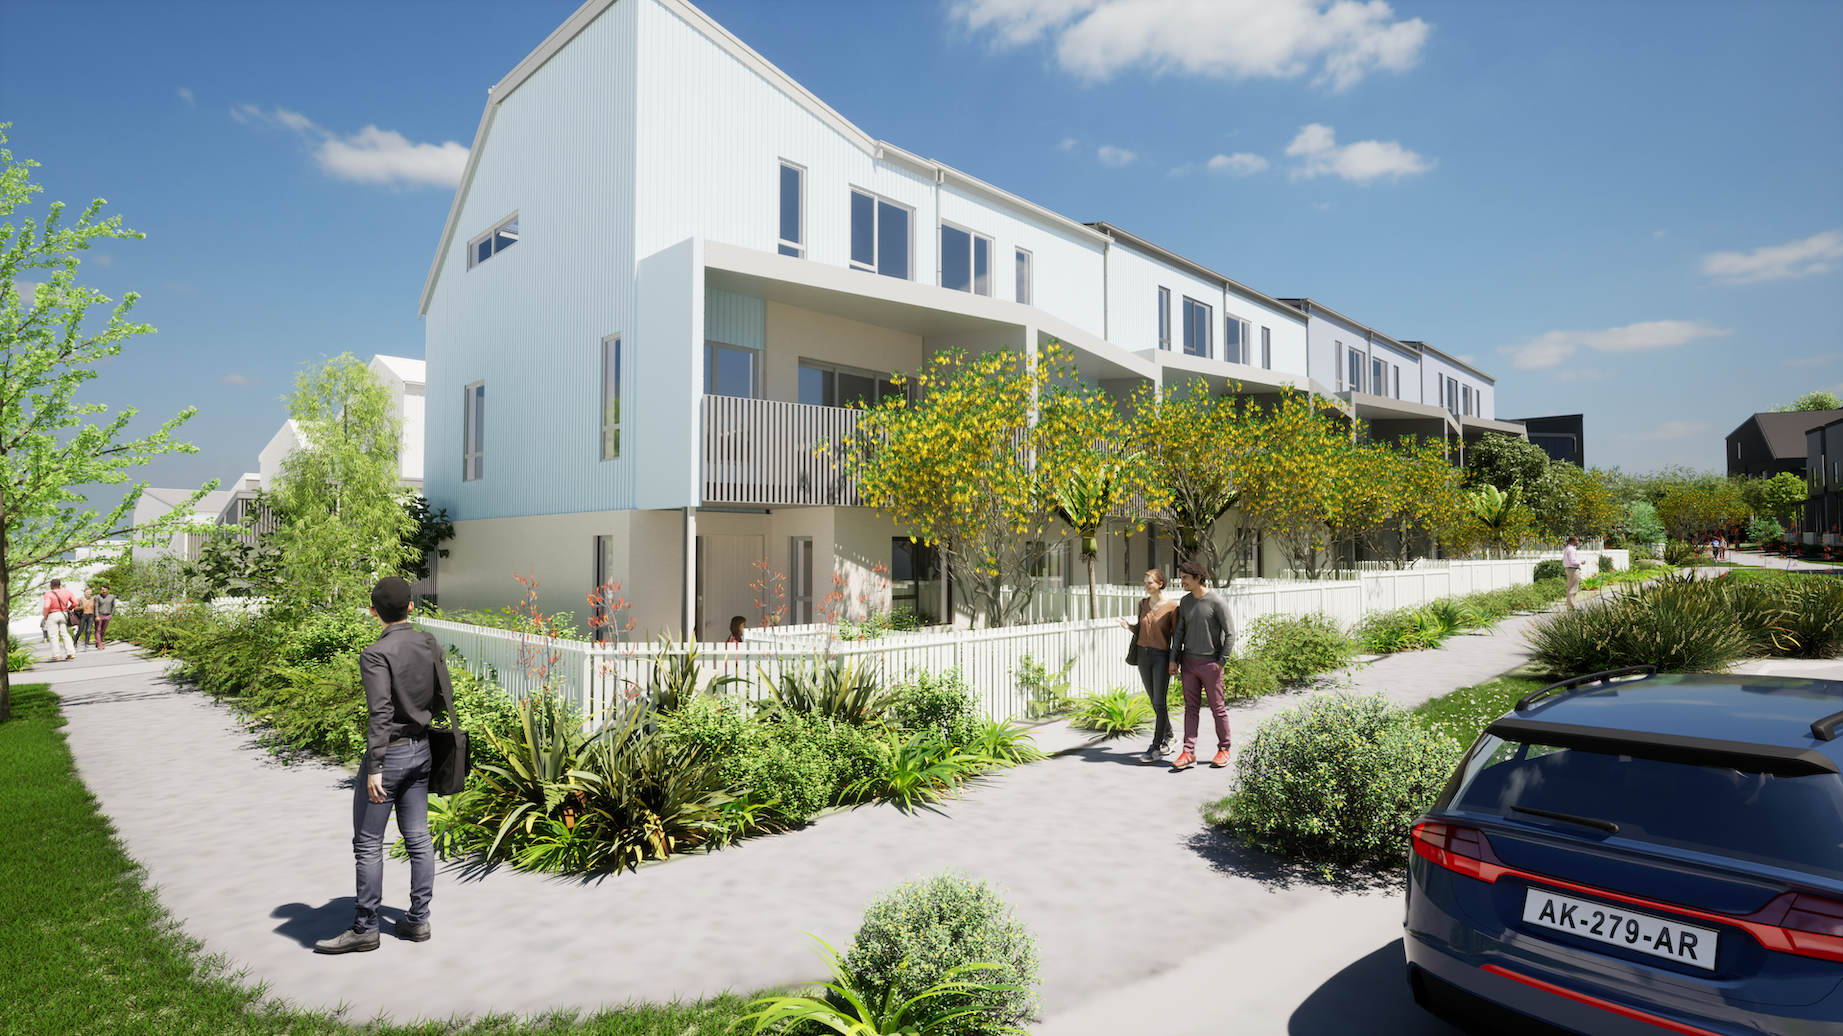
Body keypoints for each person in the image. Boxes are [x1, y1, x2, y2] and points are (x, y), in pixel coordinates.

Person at [315, 577, 452, 955]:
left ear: (373, 611)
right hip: (421, 751)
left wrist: (374, 766)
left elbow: (380, 712)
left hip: (388, 757)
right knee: (418, 838)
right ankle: (418, 920)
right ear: (411, 607)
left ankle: (365, 929)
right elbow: (444, 696)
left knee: (368, 843)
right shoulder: (429, 643)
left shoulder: (375, 653)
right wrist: (420, 717)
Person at [1166, 560, 1235, 771]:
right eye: (1181, 577)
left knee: (1218, 709)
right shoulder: (1185, 602)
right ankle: (1188, 753)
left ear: (1198, 578)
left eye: (1185, 578)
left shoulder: (1217, 602)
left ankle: (1224, 749)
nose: (1182, 581)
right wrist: (1173, 659)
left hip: (1211, 663)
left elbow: (1231, 634)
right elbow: (1179, 633)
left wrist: (1221, 663)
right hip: (1189, 663)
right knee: (1191, 709)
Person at [1118, 568, 1178, 763]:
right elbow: (1143, 629)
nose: (1146, 586)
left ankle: (1156, 746)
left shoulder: (1172, 607)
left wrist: (1174, 661)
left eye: (1150, 582)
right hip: (1143, 656)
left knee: (1159, 702)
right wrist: (1129, 627)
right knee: (1154, 701)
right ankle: (1170, 736)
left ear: (1160, 584)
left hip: (1161, 657)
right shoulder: (1142, 603)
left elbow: (1176, 637)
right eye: (1145, 582)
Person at [40, 579, 77, 662]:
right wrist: (69, 608)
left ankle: (56, 655)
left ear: (51, 585)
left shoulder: (49, 594)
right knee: (65, 634)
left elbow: (46, 606)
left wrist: (45, 615)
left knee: (53, 635)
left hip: (53, 614)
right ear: (60, 584)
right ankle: (71, 652)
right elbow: (75, 603)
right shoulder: (67, 592)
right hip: (64, 614)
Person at [92, 585, 117, 650]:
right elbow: (96, 607)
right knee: (98, 630)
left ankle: (98, 642)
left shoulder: (112, 597)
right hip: (99, 615)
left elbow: (113, 606)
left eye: (105, 589)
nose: (104, 591)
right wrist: (96, 616)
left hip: (107, 615)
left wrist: (111, 614)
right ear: (101, 590)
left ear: (108, 590)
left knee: (103, 630)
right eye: (102, 589)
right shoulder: (97, 597)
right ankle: (99, 644)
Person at [1563, 536, 1583, 610]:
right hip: (1573, 570)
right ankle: (1571, 607)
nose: (1577, 542)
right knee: (1573, 589)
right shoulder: (1571, 549)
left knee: (1570, 588)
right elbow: (1573, 561)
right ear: (1572, 541)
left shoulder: (1568, 548)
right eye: (1576, 541)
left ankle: (1570, 606)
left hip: (1569, 569)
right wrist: (1581, 562)